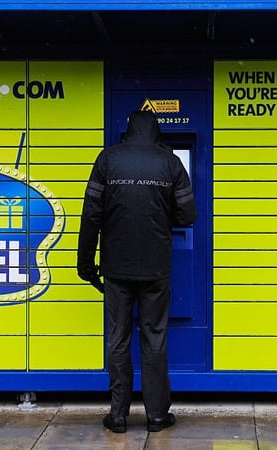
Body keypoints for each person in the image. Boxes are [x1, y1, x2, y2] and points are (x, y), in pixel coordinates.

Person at [77, 110, 197, 433]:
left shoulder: (108, 160)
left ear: (128, 131)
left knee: (117, 338)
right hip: (156, 267)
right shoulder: (170, 162)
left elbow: (90, 215)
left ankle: (118, 415)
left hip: (116, 267)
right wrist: (162, 211)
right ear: (156, 131)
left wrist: (85, 264)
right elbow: (188, 214)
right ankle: (157, 416)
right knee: (154, 338)